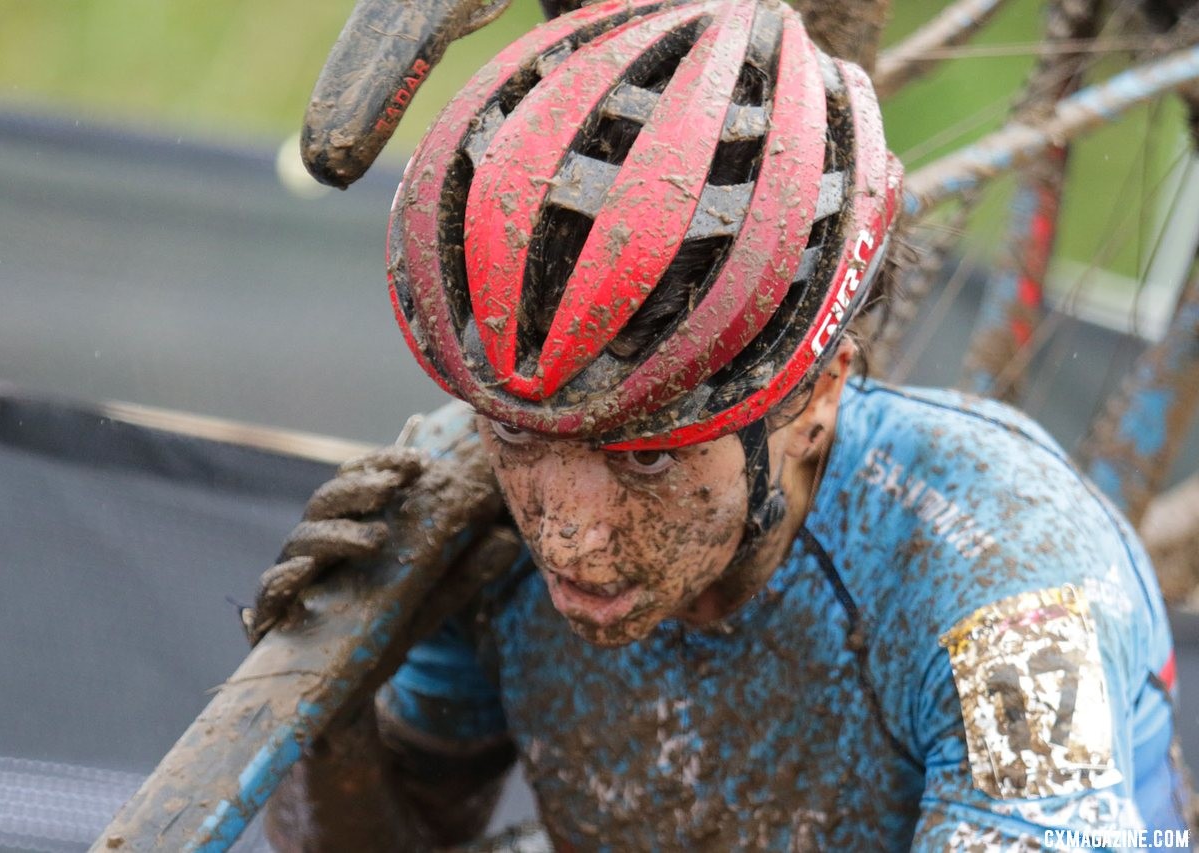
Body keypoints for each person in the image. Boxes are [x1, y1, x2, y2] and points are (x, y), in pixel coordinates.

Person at [254, 0, 1194, 848]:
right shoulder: (493, 537)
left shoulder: (1006, 593)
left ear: (814, 400)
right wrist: (329, 714)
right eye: (518, 441)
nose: (568, 535)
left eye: (651, 455)